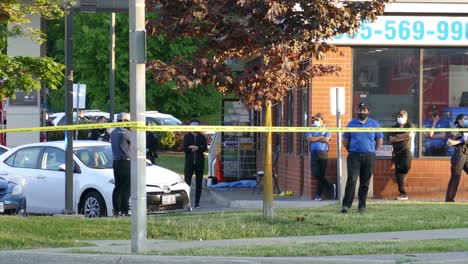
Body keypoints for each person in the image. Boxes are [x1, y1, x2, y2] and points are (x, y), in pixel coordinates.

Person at [341, 102, 383, 213]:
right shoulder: (351, 124)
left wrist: (372, 150)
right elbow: (345, 141)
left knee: (365, 183)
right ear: (357, 111)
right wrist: (351, 150)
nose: (362, 112)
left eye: (364, 110)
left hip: (369, 156)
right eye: (360, 110)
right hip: (354, 156)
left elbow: (379, 140)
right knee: (352, 181)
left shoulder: (374, 124)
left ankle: (362, 206)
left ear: (369, 112)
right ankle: (346, 206)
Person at [306, 113, 335, 201]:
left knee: (321, 174)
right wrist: (320, 137)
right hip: (314, 153)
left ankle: (318, 195)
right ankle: (330, 186)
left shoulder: (326, 129)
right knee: (315, 173)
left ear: (322, 120)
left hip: (323, 153)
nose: (315, 121)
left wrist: (316, 138)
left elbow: (326, 140)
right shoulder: (311, 128)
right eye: (314, 120)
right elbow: (309, 139)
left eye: (317, 120)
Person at [388, 110, 415, 201]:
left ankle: (403, 175)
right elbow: (391, 139)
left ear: (406, 117)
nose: (400, 118)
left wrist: (397, 136)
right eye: (398, 116)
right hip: (397, 153)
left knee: (406, 167)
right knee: (399, 173)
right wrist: (403, 136)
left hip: (406, 152)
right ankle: (403, 194)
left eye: (402, 116)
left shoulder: (409, 125)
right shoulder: (394, 127)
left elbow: (409, 135)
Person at [110, 112, 131, 216]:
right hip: (125, 162)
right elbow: (135, 144)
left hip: (116, 162)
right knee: (126, 188)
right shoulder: (126, 133)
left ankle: (116, 210)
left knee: (118, 187)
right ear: (124, 121)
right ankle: (125, 210)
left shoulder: (113, 132)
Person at [183, 119, 207, 209]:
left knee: (199, 183)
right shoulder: (187, 136)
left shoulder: (202, 137)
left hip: (199, 162)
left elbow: (204, 148)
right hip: (189, 163)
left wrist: (196, 148)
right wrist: (191, 148)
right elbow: (185, 148)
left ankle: (197, 203)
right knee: (187, 182)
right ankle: (187, 202)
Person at [445, 114, 468, 202]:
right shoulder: (456, 129)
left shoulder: (466, 129)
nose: (466, 120)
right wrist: (460, 140)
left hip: (467, 154)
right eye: (465, 119)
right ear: (459, 120)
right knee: (456, 177)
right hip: (459, 154)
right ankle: (449, 199)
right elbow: (449, 142)